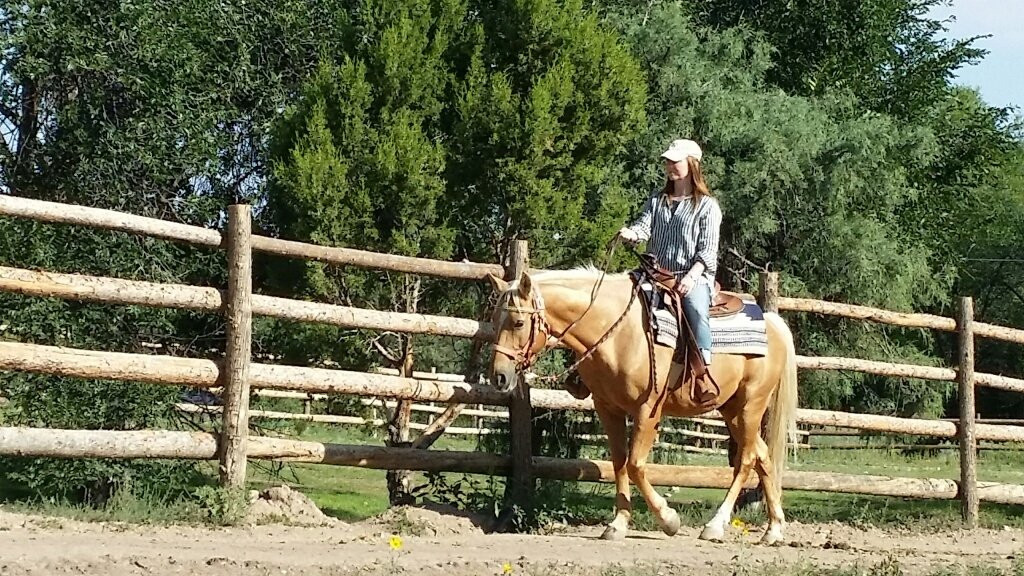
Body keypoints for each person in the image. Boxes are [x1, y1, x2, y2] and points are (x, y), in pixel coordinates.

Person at [616, 138, 722, 365]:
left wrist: (692, 277)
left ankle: (702, 362)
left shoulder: (707, 206)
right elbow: (644, 226)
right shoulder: (657, 199)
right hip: (654, 272)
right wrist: (632, 234)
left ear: (692, 164)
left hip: (690, 275)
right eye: (668, 162)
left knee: (695, 308)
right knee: (618, 295)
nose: (670, 166)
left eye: (675, 161)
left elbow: (708, 250)